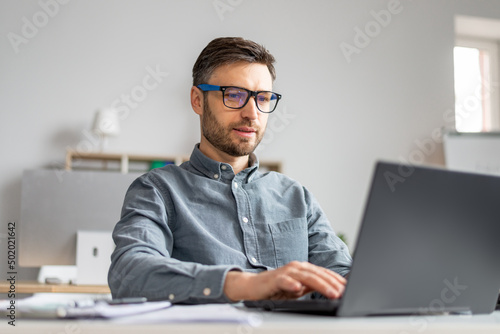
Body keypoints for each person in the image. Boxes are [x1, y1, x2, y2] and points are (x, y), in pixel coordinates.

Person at [108, 37, 352, 304]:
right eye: (234, 95)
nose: (252, 113)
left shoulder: (296, 196)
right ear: (197, 100)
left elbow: (341, 277)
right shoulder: (157, 191)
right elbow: (129, 274)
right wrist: (244, 284)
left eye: (263, 98)